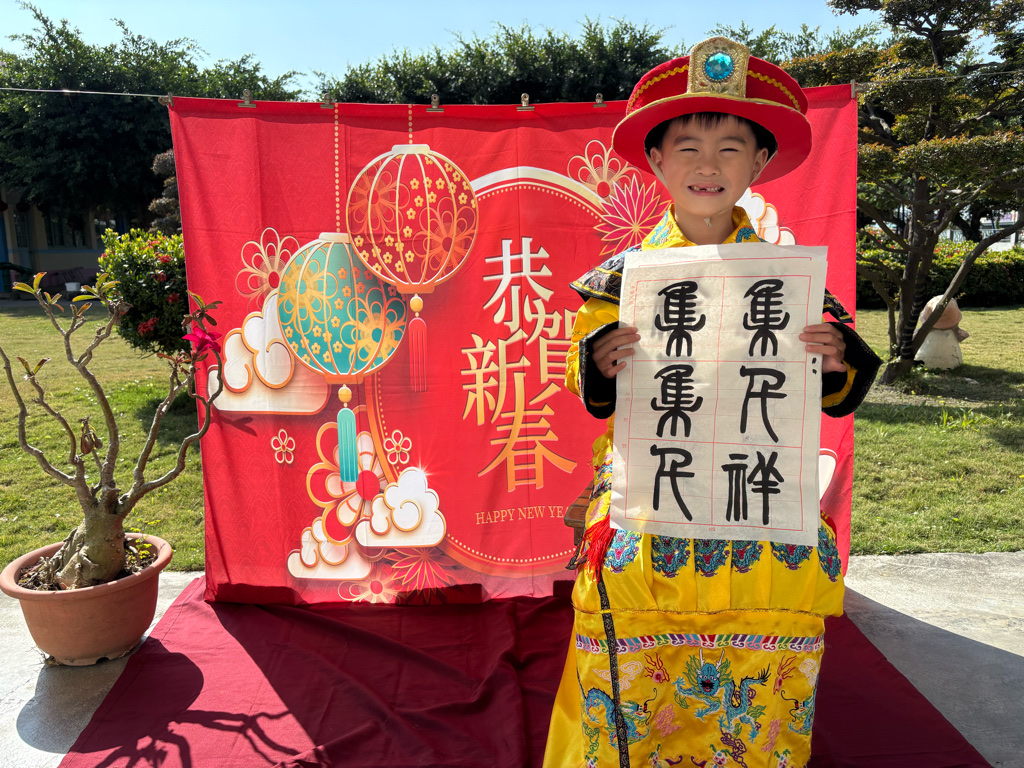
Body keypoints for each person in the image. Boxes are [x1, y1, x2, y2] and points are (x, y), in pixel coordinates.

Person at [544, 37, 881, 768]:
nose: (708, 165)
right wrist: (600, 363)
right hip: (652, 493)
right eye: (688, 147)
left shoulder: (788, 281)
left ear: (759, 164)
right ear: (655, 160)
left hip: (758, 498)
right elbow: (587, 384)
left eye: (731, 148)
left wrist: (833, 358)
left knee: (776, 616)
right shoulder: (620, 282)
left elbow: (833, 390)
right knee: (627, 613)